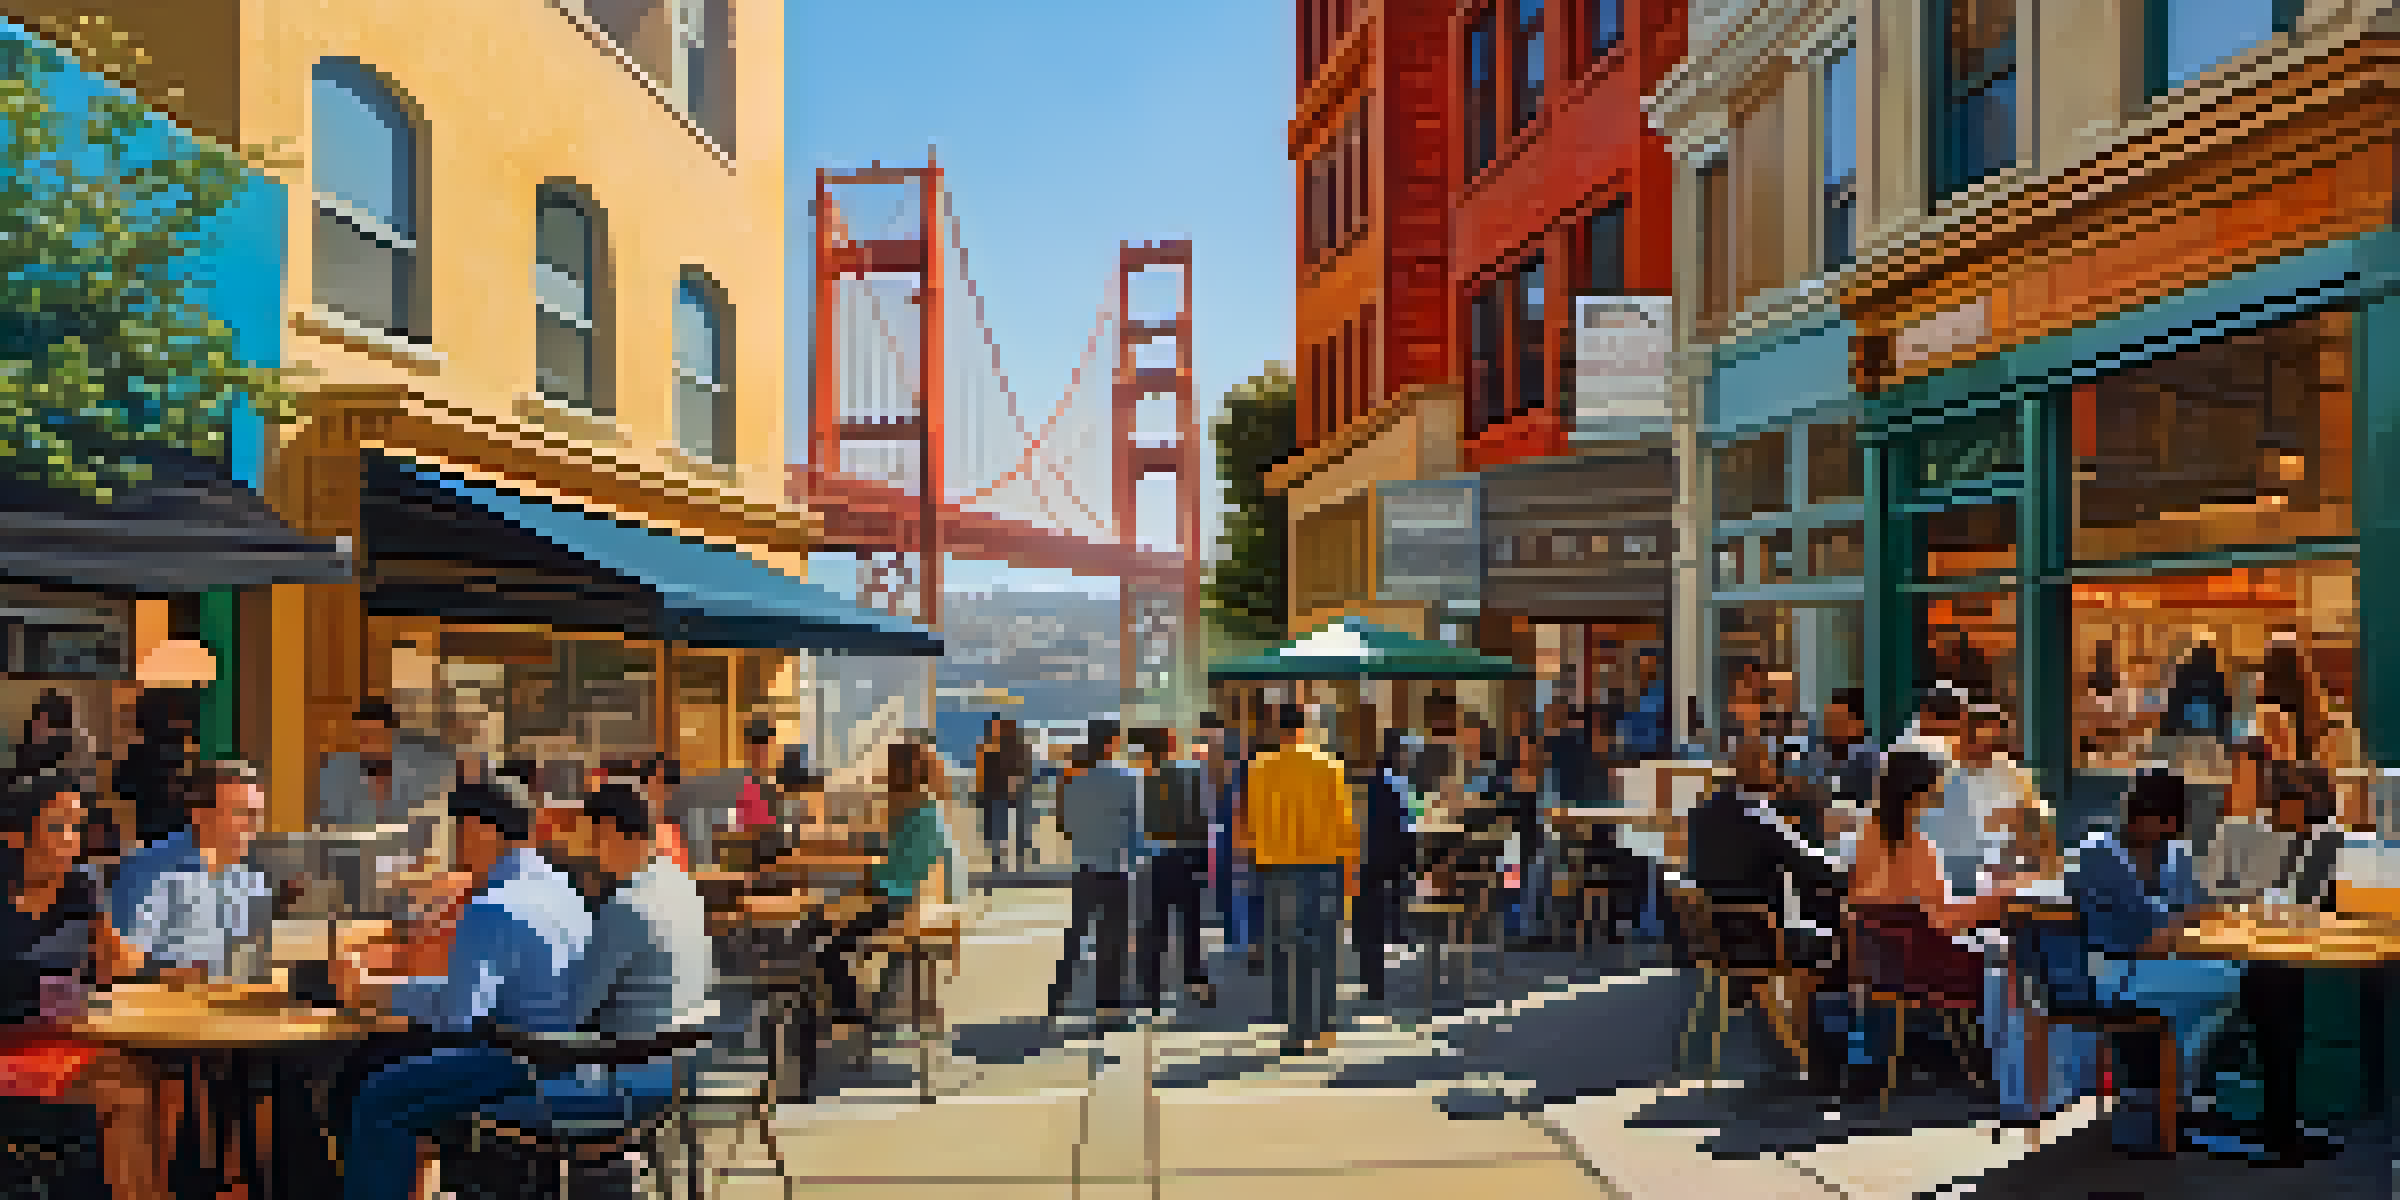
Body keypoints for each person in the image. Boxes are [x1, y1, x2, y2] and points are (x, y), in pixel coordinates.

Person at [334, 781, 595, 1200]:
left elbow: (459, 1014)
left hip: (521, 1062)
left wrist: (375, 991)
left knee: (377, 1097)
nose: (453, 842)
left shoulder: (492, 904)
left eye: (456, 829)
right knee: (385, 1072)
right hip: (575, 1060)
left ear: (481, 831)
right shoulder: (564, 892)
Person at [477, 780, 714, 1139]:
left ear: (613, 832)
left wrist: (498, 1010)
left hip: (625, 1084)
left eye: (594, 839)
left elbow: (569, 1013)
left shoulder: (627, 907)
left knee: (469, 1099)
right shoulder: (679, 886)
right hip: (679, 1070)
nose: (591, 852)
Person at [2065, 768, 2245, 1155]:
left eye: (2169, 825)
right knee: (2231, 982)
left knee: (2227, 983)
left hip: (2158, 965)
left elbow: (2196, 908)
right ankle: (2174, 1094)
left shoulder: (2174, 853)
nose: (2161, 832)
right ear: (2138, 812)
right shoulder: (2099, 853)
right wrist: (2176, 924)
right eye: (2157, 821)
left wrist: (2186, 920)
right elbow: (2142, 931)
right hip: (2111, 971)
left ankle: (2166, 1095)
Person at [0, 767, 161, 1199]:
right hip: (9, 1048)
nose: (72, 838)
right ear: (16, 836)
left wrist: (155, 958)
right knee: (124, 1091)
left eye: (77, 826)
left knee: (152, 1081)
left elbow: (114, 967)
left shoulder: (81, 885)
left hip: (61, 1039)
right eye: (57, 826)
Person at [1683, 732, 1848, 1091]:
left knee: (1807, 935)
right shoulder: (1757, 814)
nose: (1778, 769)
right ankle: (1817, 1054)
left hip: (1721, 938)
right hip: (1764, 938)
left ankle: (1793, 1041)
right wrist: (1857, 870)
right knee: (1832, 944)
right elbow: (1812, 867)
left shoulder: (1702, 813)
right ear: (1760, 767)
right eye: (1772, 762)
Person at [1240, 704, 1357, 1056]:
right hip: (1323, 865)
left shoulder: (1260, 769)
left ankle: (1295, 1028)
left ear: (1277, 730)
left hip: (1278, 868)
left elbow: (1250, 826)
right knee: (1324, 946)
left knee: (1288, 948)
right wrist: (1350, 877)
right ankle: (1323, 1026)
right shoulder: (1329, 766)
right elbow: (1345, 827)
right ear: (1305, 729)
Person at [110, 759, 273, 981]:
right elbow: (122, 962)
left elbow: (252, 962)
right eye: (243, 813)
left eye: (257, 815)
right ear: (201, 816)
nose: (254, 826)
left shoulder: (252, 882)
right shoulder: (149, 869)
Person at [1050, 722, 1140, 1026]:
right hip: (1117, 867)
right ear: (1113, 742)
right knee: (1111, 941)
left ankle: (1059, 995)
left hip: (1084, 867)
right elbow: (1137, 826)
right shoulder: (1128, 777)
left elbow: (1065, 826)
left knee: (1076, 935)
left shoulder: (1074, 781)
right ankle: (1107, 1006)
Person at [1133, 728, 1213, 1011]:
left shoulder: (1140, 779)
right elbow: (1204, 815)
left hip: (1153, 857)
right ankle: (1197, 984)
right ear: (1170, 744)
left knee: (1155, 927)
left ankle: (1151, 991)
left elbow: (1135, 823)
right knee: (1190, 925)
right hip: (1187, 855)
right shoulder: (1191, 774)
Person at [316, 698, 447, 864]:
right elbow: (333, 830)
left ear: (392, 737)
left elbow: (429, 826)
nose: (369, 743)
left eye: (376, 735)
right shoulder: (334, 774)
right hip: (355, 864)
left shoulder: (420, 773)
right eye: (363, 737)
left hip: (414, 863)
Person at [1353, 729, 1417, 1007]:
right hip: (1383, 861)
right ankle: (1374, 983)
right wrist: (1409, 862)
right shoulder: (1398, 783)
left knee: (1366, 923)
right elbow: (1406, 825)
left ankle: (1369, 978)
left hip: (1360, 859)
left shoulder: (1360, 782)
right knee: (1376, 923)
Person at [975, 717, 1033, 875]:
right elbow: (981, 773)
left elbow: (1023, 770)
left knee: (1011, 828)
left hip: (1003, 793)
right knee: (999, 830)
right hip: (996, 794)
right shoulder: (988, 749)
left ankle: (1015, 858)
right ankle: (1002, 860)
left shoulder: (1014, 748)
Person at [1620, 651, 1670, 760]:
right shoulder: (1631, 690)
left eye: (1650, 666)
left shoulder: (1661, 691)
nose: (1645, 669)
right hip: (1632, 748)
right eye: (1642, 665)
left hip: (1657, 748)